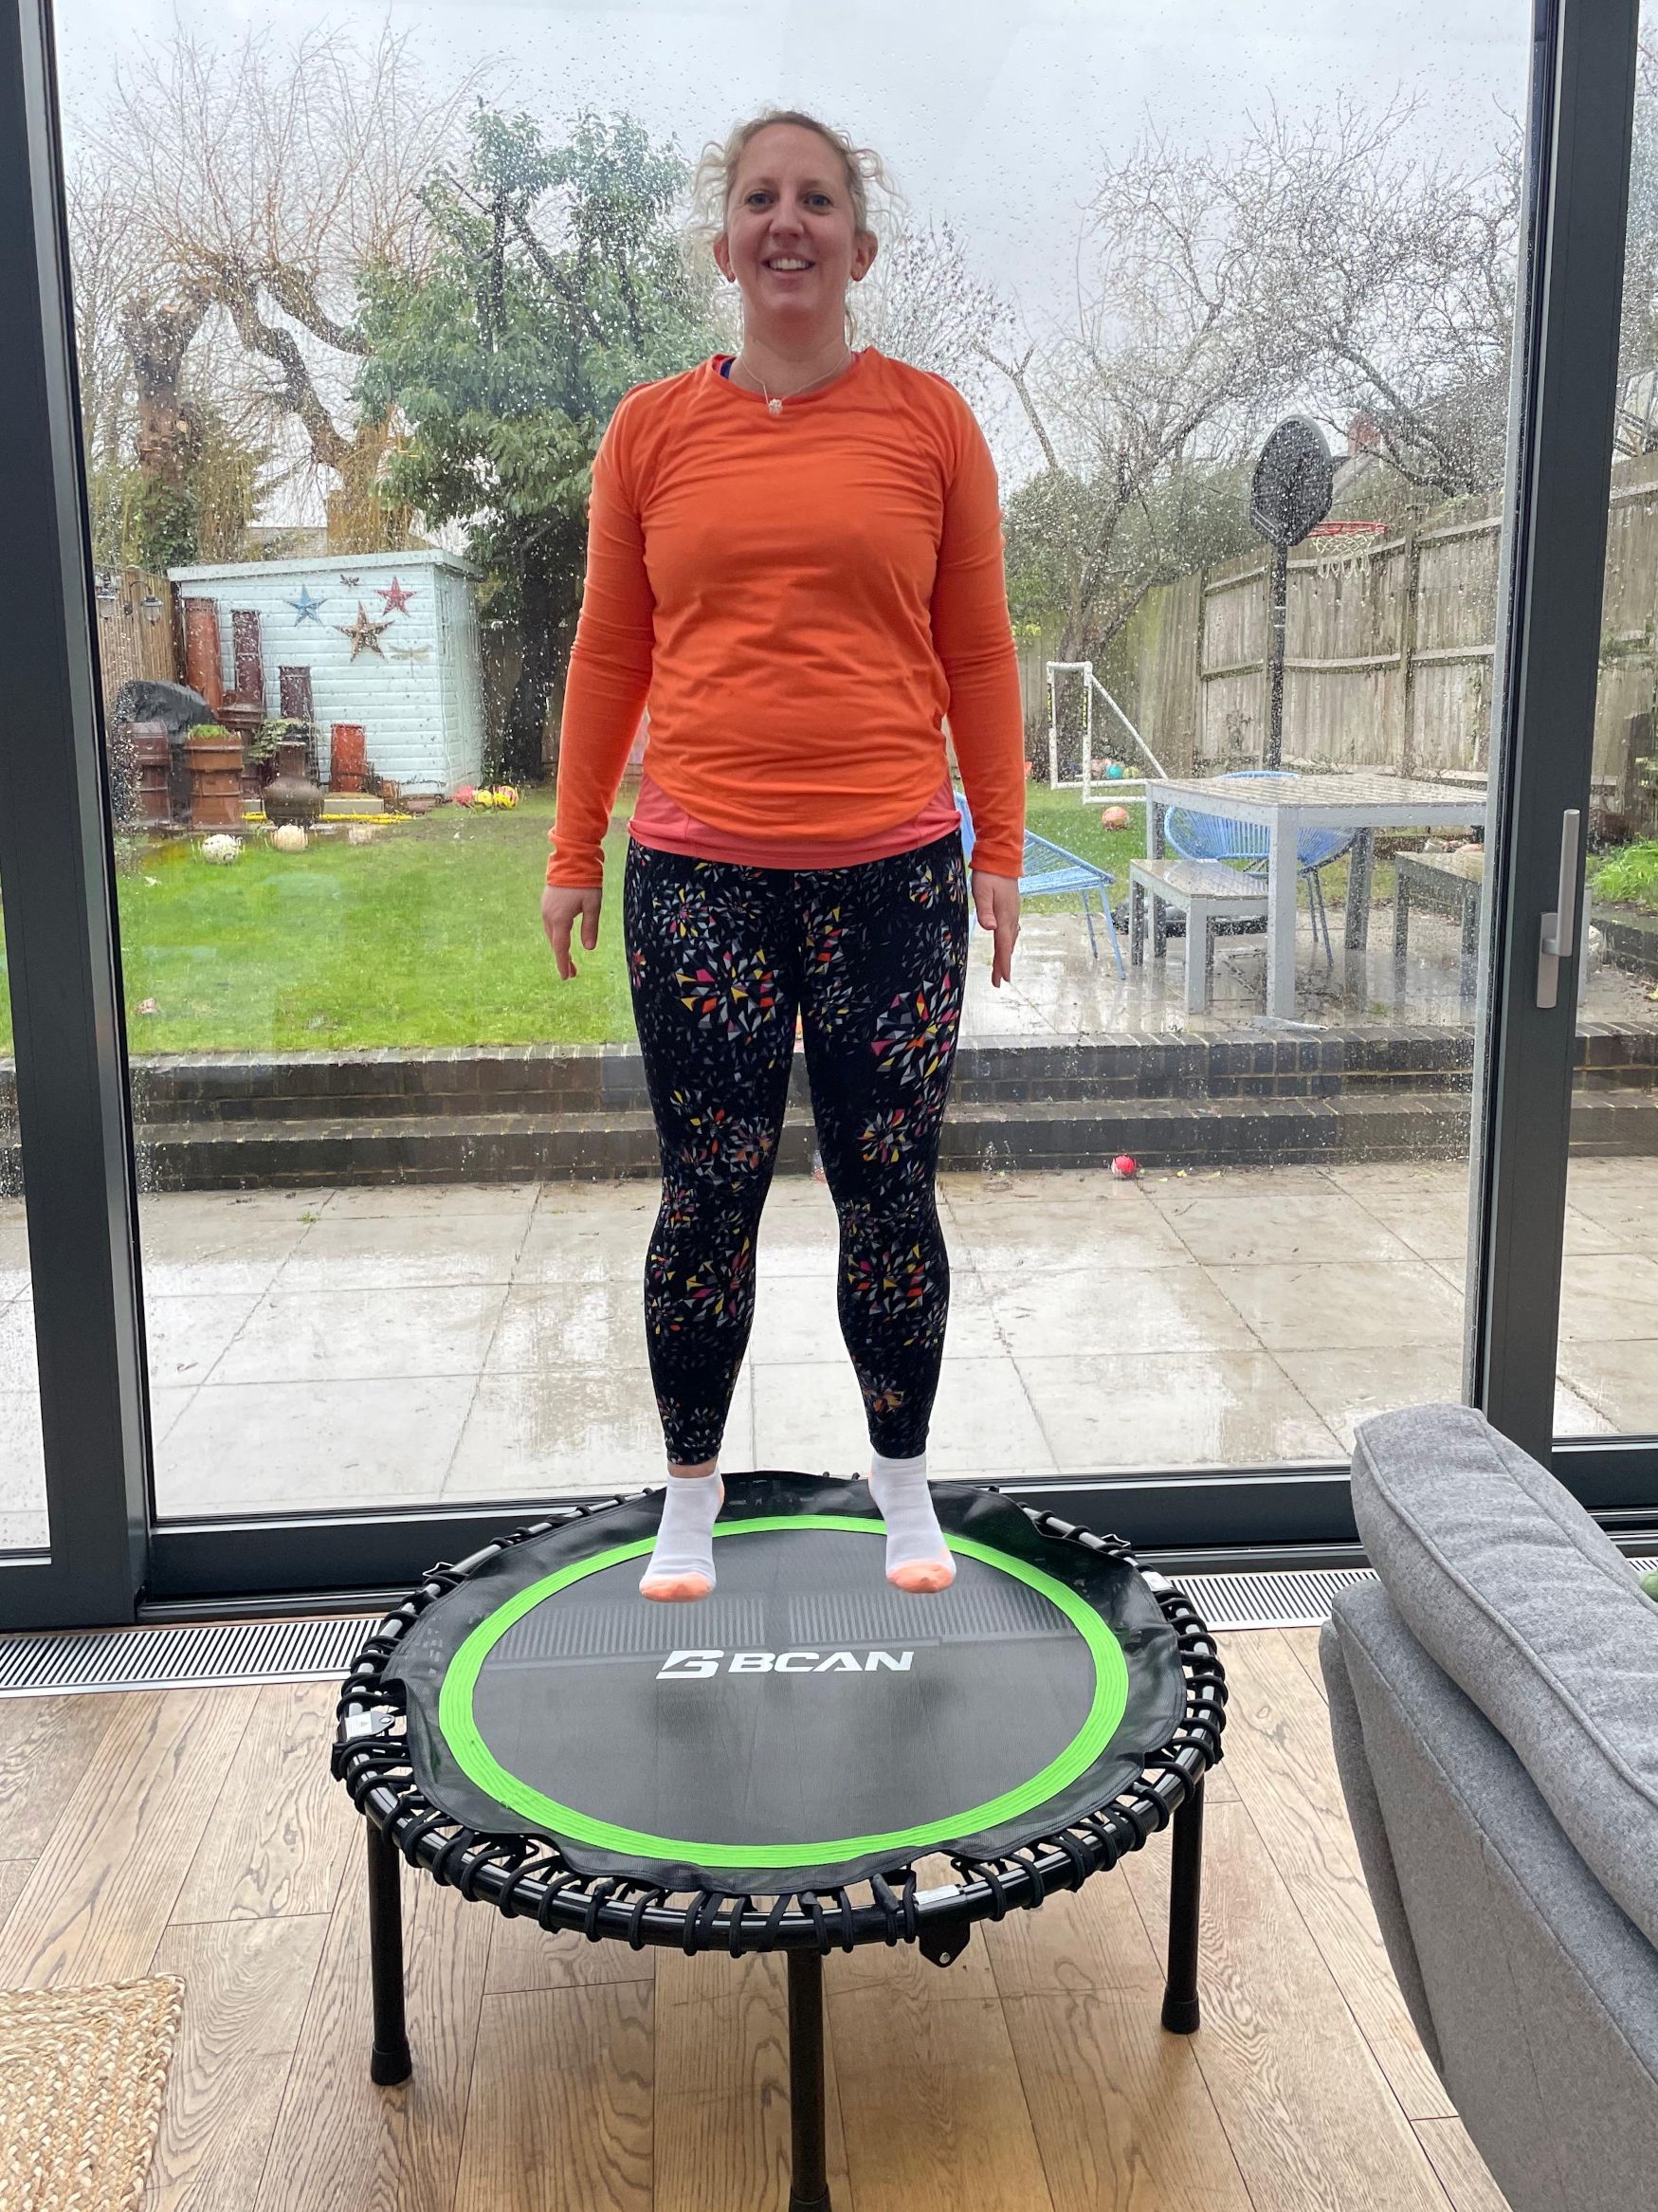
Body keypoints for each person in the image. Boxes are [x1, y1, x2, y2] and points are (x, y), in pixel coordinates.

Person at [541, 107, 1025, 1603]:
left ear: (857, 245)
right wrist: (572, 848)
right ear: (725, 242)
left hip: (891, 875)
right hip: (698, 878)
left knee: (889, 1186)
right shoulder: (648, 431)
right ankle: (689, 1497)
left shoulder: (930, 421)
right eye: (761, 198)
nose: (787, 221)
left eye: (816, 198)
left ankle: (900, 1484)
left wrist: (996, 841)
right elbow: (608, 652)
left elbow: (980, 652)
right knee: (709, 1189)